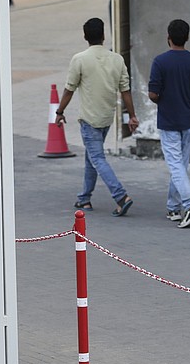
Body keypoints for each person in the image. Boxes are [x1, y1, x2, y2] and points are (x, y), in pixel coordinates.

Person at [55, 18, 138, 216]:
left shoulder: (79, 59)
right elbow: (125, 90)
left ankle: (121, 196)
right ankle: (84, 199)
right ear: (103, 36)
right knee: (91, 157)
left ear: (85, 37)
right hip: (107, 117)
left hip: (89, 119)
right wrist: (132, 115)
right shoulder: (117, 59)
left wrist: (59, 112)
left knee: (97, 158)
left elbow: (69, 90)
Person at [148, 19, 190, 228]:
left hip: (168, 119)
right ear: (187, 37)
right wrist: (187, 99)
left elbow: (153, 94)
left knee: (175, 165)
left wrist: (165, 99)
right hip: (187, 119)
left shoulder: (160, 62)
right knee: (181, 165)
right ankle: (174, 208)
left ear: (168, 38)